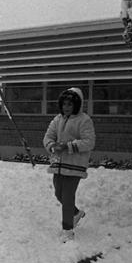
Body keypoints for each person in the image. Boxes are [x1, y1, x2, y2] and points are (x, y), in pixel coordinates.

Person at [42, 87, 95, 242]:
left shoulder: (84, 120)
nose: (66, 107)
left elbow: (89, 142)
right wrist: (52, 146)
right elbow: (48, 137)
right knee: (59, 193)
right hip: (58, 163)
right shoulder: (57, 119)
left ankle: (68, 230)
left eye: (70, 105)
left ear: (77, 105)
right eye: (64, 104)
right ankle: (76, 213)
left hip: (75, 165)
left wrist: (68, 146)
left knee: (67, 196)